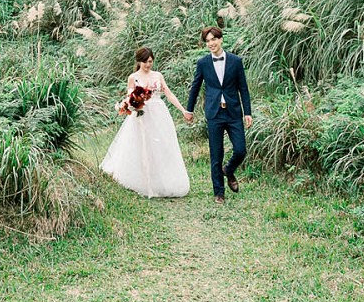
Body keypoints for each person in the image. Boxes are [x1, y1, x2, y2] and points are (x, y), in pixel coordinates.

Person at [99, 47, 192, 198]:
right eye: (144, 62)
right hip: (141, 115)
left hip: (159, 113)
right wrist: (131, 105)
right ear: (139, 61)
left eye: (150, 61)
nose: (148, 65)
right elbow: (129, 97)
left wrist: (183, 110)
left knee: (162, 145)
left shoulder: (158, 75)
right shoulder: (133, 77)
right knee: (142, 145)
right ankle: (143, 179)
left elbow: (168, 94)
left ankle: (164, 179)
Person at [186, 25, 252, 203]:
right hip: (214, 113)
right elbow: (195, 87)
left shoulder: (236, 61)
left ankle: (229, 170)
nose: (211, 43)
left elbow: (243, 88)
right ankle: (219, 193)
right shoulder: (203, 63)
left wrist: (248, 112)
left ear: (221, 39)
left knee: (240, 149)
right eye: (207, 41)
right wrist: (189, 110)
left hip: (233, 112)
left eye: (214, 39)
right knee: (216, 153)